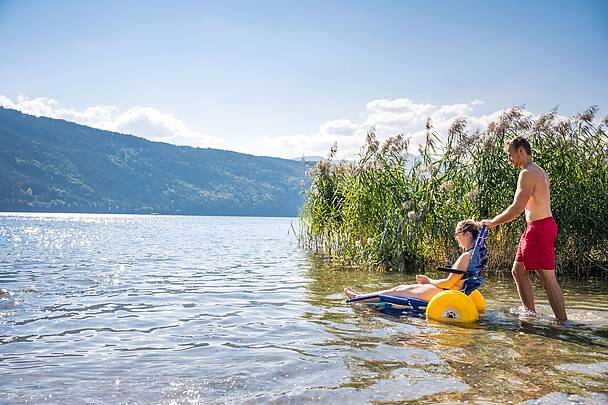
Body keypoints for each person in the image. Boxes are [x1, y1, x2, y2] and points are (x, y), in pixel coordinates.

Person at [481, 136, 567, 321]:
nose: (509, 159)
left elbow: (517, 208)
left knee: (547, 277)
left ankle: (563, 323)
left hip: (540, 228)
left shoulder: (527, 173)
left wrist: (493, 222)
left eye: (510, 155)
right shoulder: (539, 171)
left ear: (521, 151)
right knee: (518, 271)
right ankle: (530, 315)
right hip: (536, 227)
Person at [344, 220, 480, 302]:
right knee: (399, 289)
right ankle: (362, 296)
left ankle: (359, 298)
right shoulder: (474, 255)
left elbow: (449, 283)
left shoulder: (465, 256)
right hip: (453, 291)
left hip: (444, 293)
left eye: (457, 234)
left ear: (467, 234)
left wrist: (429, 280)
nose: (456, 238)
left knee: (397, 290)